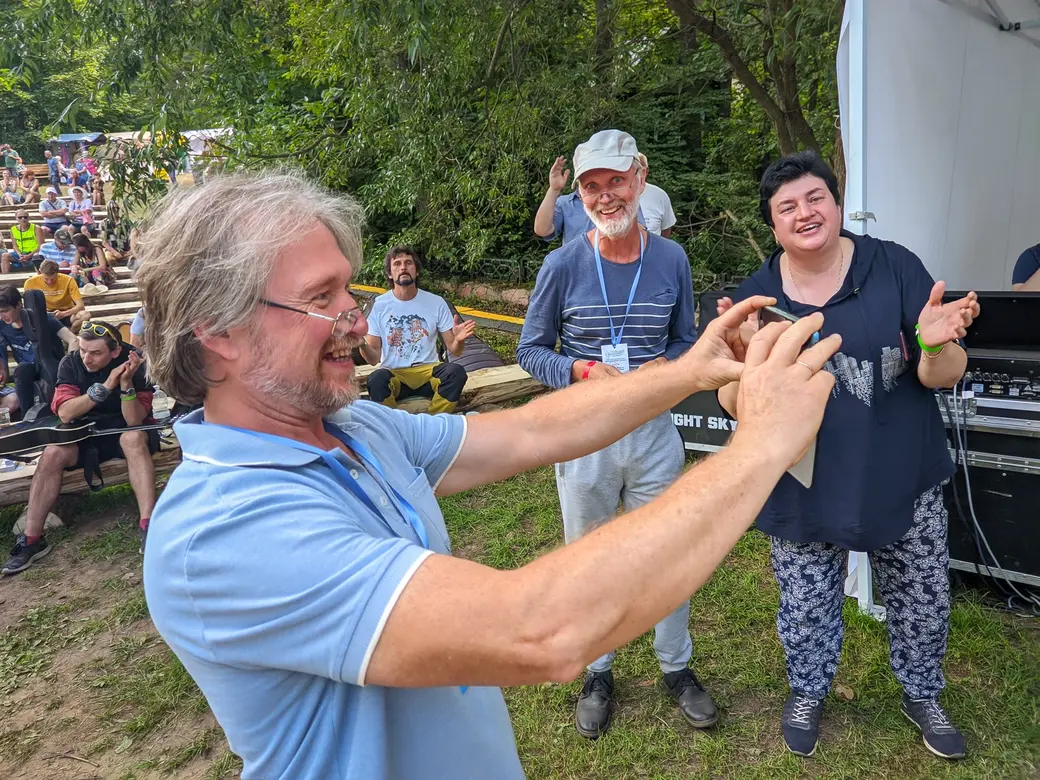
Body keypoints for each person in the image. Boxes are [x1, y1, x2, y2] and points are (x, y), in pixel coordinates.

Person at [134, 171, 839, 780]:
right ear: (218, 332)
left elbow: (533, 429)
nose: (357, 318)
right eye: (323, 298)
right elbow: (542, 629)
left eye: (350, 290)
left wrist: (689, 370)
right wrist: (761, 444)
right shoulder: (225, 532)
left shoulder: (353, 427)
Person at [716, 151, 980, 761]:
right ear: (773, 225)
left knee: (921, 595)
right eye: (788, 207)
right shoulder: (756, 299)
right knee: (805, 603)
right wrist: (743, 369)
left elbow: (944, 375)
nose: (805, 213)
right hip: (804, 482)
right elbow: (734, 403)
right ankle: (808, 689)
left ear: (836, 204)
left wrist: (934, 344)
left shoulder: (894, 267)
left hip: (902, 471)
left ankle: (922, 692)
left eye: (816, 198)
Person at [518, 129, 709, 738]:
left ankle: (676, 667)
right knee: (590, 558)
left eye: (616, 183)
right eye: (592, 187)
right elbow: (529, 350)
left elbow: (684, 339)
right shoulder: (562, 263)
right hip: (587, 434)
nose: (605, 197)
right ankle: (598, 670)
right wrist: (576, 369)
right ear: (579, 194)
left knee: (669, 552)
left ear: (640, 179)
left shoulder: (671, 259)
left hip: (654, 431)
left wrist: (666, 367)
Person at [1, 322, 158, 574]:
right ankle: (31, 540)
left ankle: (148, 525)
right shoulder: (71, 362)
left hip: (123, 428)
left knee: (133, 437)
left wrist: (126, 383)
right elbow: (65, 412)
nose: (87, 358)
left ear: (115, 352)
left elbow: (134, 420)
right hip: (83, 430)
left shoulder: (134, 363)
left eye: (95, 353)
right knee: (52, 453)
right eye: (84, 350)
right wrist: (106, 386)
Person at [359, 246, 472, 415]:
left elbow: (454, 349)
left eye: (408, 263)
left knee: (456, 373)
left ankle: (434, 422)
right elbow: (374, 359)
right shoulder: (378, 306)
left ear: (416, 271)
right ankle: (396, 425)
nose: (403, 267)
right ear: (390, 273)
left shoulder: (436, 302)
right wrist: (361, 345)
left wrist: (459, 339)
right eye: (397, 264)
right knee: (376, 380)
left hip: (428, 372)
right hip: (394, 375)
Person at [533, 150, 646, 244]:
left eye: (615, 180)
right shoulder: (565, 203)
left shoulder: (623, 201)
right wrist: (554, 190)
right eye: (591, 184)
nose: (605, 199)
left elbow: (640, 232)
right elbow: (542, 230)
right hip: (578, 269)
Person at [0, 285, 78, 416]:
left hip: (50, 366)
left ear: (19, 304)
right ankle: (27, 416)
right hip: (26, 370)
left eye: (5, 311)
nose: (2, 316)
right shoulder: (2, 326)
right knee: (22, 369)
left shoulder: (43, 319)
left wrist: (68, 366)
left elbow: (73, 340)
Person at [24, 259, 91, 331]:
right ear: (40, 272)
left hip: (67, 313)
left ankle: (72, 332)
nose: (49, 282)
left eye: (53, 279)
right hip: (45, 314)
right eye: (46, 279)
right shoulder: (30, 282)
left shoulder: (69, 280)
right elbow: (28, 307)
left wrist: (63, 314)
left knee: (86, 315)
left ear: (58, 273)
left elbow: (80, 306)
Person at [636, 153, 677, 237]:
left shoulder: (659, 195)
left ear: (645, 171)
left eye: (638, 170)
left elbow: (666, 228)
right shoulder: (617, 195)